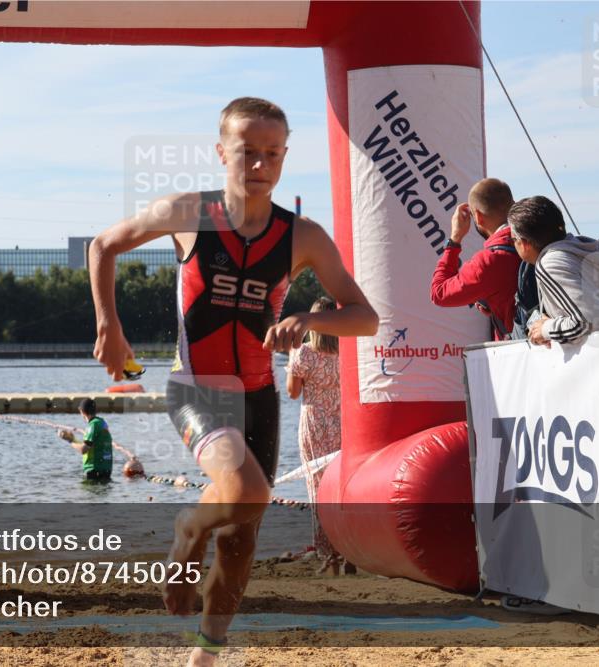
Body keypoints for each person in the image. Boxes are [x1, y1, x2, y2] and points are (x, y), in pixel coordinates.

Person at [88, 97, 378, 665]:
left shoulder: (304, 237)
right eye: (247, 153)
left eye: (272, 154)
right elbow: (103, 246)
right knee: (246, 491)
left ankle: (206, 653)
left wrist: (311, 319)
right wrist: (110, 327)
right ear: (223, 152)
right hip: (197, 386)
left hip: (258, 395)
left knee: (243, 534)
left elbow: (364, 316)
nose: (259, 165)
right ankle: (187, 527)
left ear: (285, 157)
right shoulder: (189, 213)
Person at [508, 196, 599, 345]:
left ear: (524, 243)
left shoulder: (550, 263)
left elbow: (585, 322)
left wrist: (546, 329)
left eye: (513, 239)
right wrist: (551, 328)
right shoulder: (582, 248)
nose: (513, 244)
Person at [286, 297, 351, 575]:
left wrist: (291, 359)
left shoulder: (304, 353)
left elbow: (293, 392)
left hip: (314, 424)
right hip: (343, 423)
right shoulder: (348, 351)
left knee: (317, 490)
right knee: (344, 489)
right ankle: (351, 551)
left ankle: (329, 555)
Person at [429, 178, 520, 340]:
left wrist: (454, 240)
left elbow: (439, 293)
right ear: (514, 204)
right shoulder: (536, 240)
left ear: (477, 216)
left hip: (522, 355)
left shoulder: (487, 262)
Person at [59, 398, 113, 482]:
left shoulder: (93, 425)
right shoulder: (102, 422)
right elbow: (92, 445)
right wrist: (74, 439)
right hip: (105, 469)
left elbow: (83, 449)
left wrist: (69, 440)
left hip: (94, 471)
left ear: (82, 412)